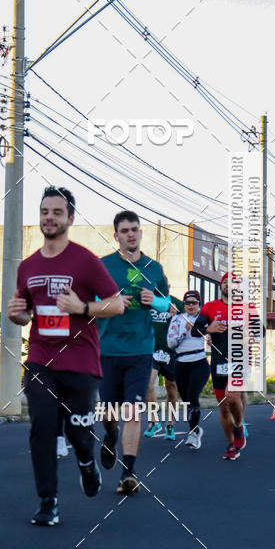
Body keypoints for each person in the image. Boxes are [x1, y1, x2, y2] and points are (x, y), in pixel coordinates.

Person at [7, 186, 124, 526]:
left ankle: (87, 462)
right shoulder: (27, 267)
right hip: (42, 359)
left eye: (57, 212)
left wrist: (82, 307)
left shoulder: (85, 260)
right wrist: (19, 315)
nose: (50, 217)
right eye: (45, 212)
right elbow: (27, 313)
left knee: (78, 433)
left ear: (70, 218)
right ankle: (48, 502)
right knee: (42, 428)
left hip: (81, 361)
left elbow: (116, 303)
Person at [97, 210, 170, 494]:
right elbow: (89, 303)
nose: (130, 234)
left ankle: (128, 473)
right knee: (110, 412)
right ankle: (110, 435)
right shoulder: (103, 267)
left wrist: (156, 302)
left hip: (141, 350)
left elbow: (167, 305)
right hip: (109, 349)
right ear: (116, 236)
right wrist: (111, 302)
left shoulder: (154, 269)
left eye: (135, 229)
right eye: (125, 230)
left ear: (140, 233)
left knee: (133, 411)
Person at [191, 272, 261, 461]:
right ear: (221, 286)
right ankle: (231, 445)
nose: (229, 285)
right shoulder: (210, 307)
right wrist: (208, 329)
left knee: (233, 395)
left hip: (241, 359)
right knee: (223, 408)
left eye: (234, 283)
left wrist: (251, 336)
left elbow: (260, 330)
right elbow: (194, 330)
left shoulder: (248, 307)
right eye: (225, 282)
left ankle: (238, 426)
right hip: (219, 362)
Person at [167, 290, 209, 449]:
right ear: (183, 305)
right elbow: (170, 343)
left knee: (192, 395)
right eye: (187, 302)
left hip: (199, 362)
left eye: (194, 302)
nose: (191, 305)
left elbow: (211, 335)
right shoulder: (177, 319)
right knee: (186, 401)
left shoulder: (203, 319)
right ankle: (196, 429)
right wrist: (185, 330)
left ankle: (192, 433)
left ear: (199, 304)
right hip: (181, 363)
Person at [145, 289, 183, 440]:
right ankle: (154, 421)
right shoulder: (147, 301)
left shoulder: (176, 302)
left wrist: (177, 317)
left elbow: (190, 320)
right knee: (148, 385)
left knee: (172, 390)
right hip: (151, 351)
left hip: (171, 353)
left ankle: (170, 423)